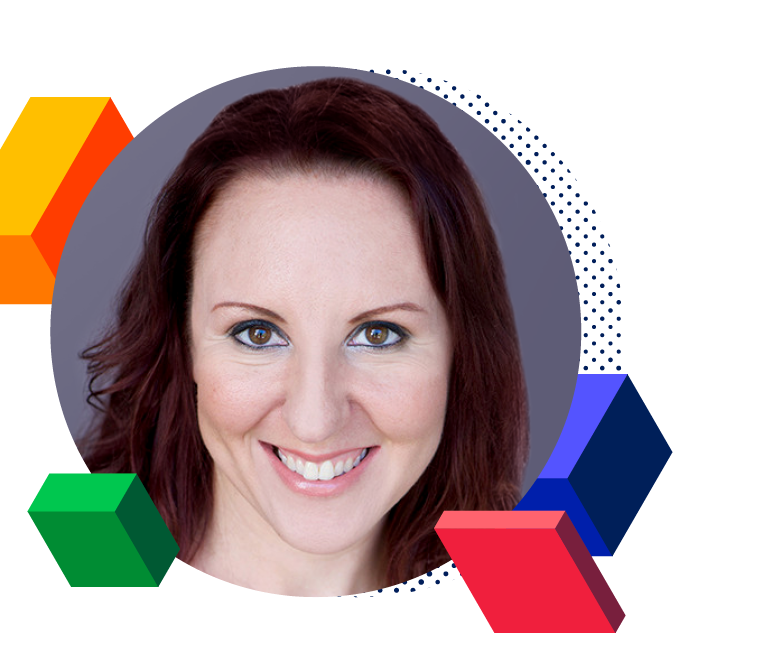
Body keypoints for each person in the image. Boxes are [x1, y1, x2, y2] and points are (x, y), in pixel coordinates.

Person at [79, 77, 528, 597]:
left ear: (462, 354)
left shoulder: (529, 608)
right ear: (182, 343)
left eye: (378, 335)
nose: (314, 423)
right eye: (257, 333)